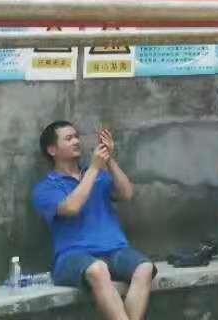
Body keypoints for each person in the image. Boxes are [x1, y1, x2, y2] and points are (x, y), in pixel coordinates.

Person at [33, 122, 155, 320]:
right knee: (98, 269)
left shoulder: (100, 176)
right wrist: (95, 168)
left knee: (145, 268)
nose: (76, 141)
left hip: (115, 251)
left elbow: (127, 193)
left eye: (76, 136)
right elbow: (72, 208)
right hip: (72, 257)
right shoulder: (46, 188)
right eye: (69, 138)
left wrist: (109, 159)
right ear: (52, 150)